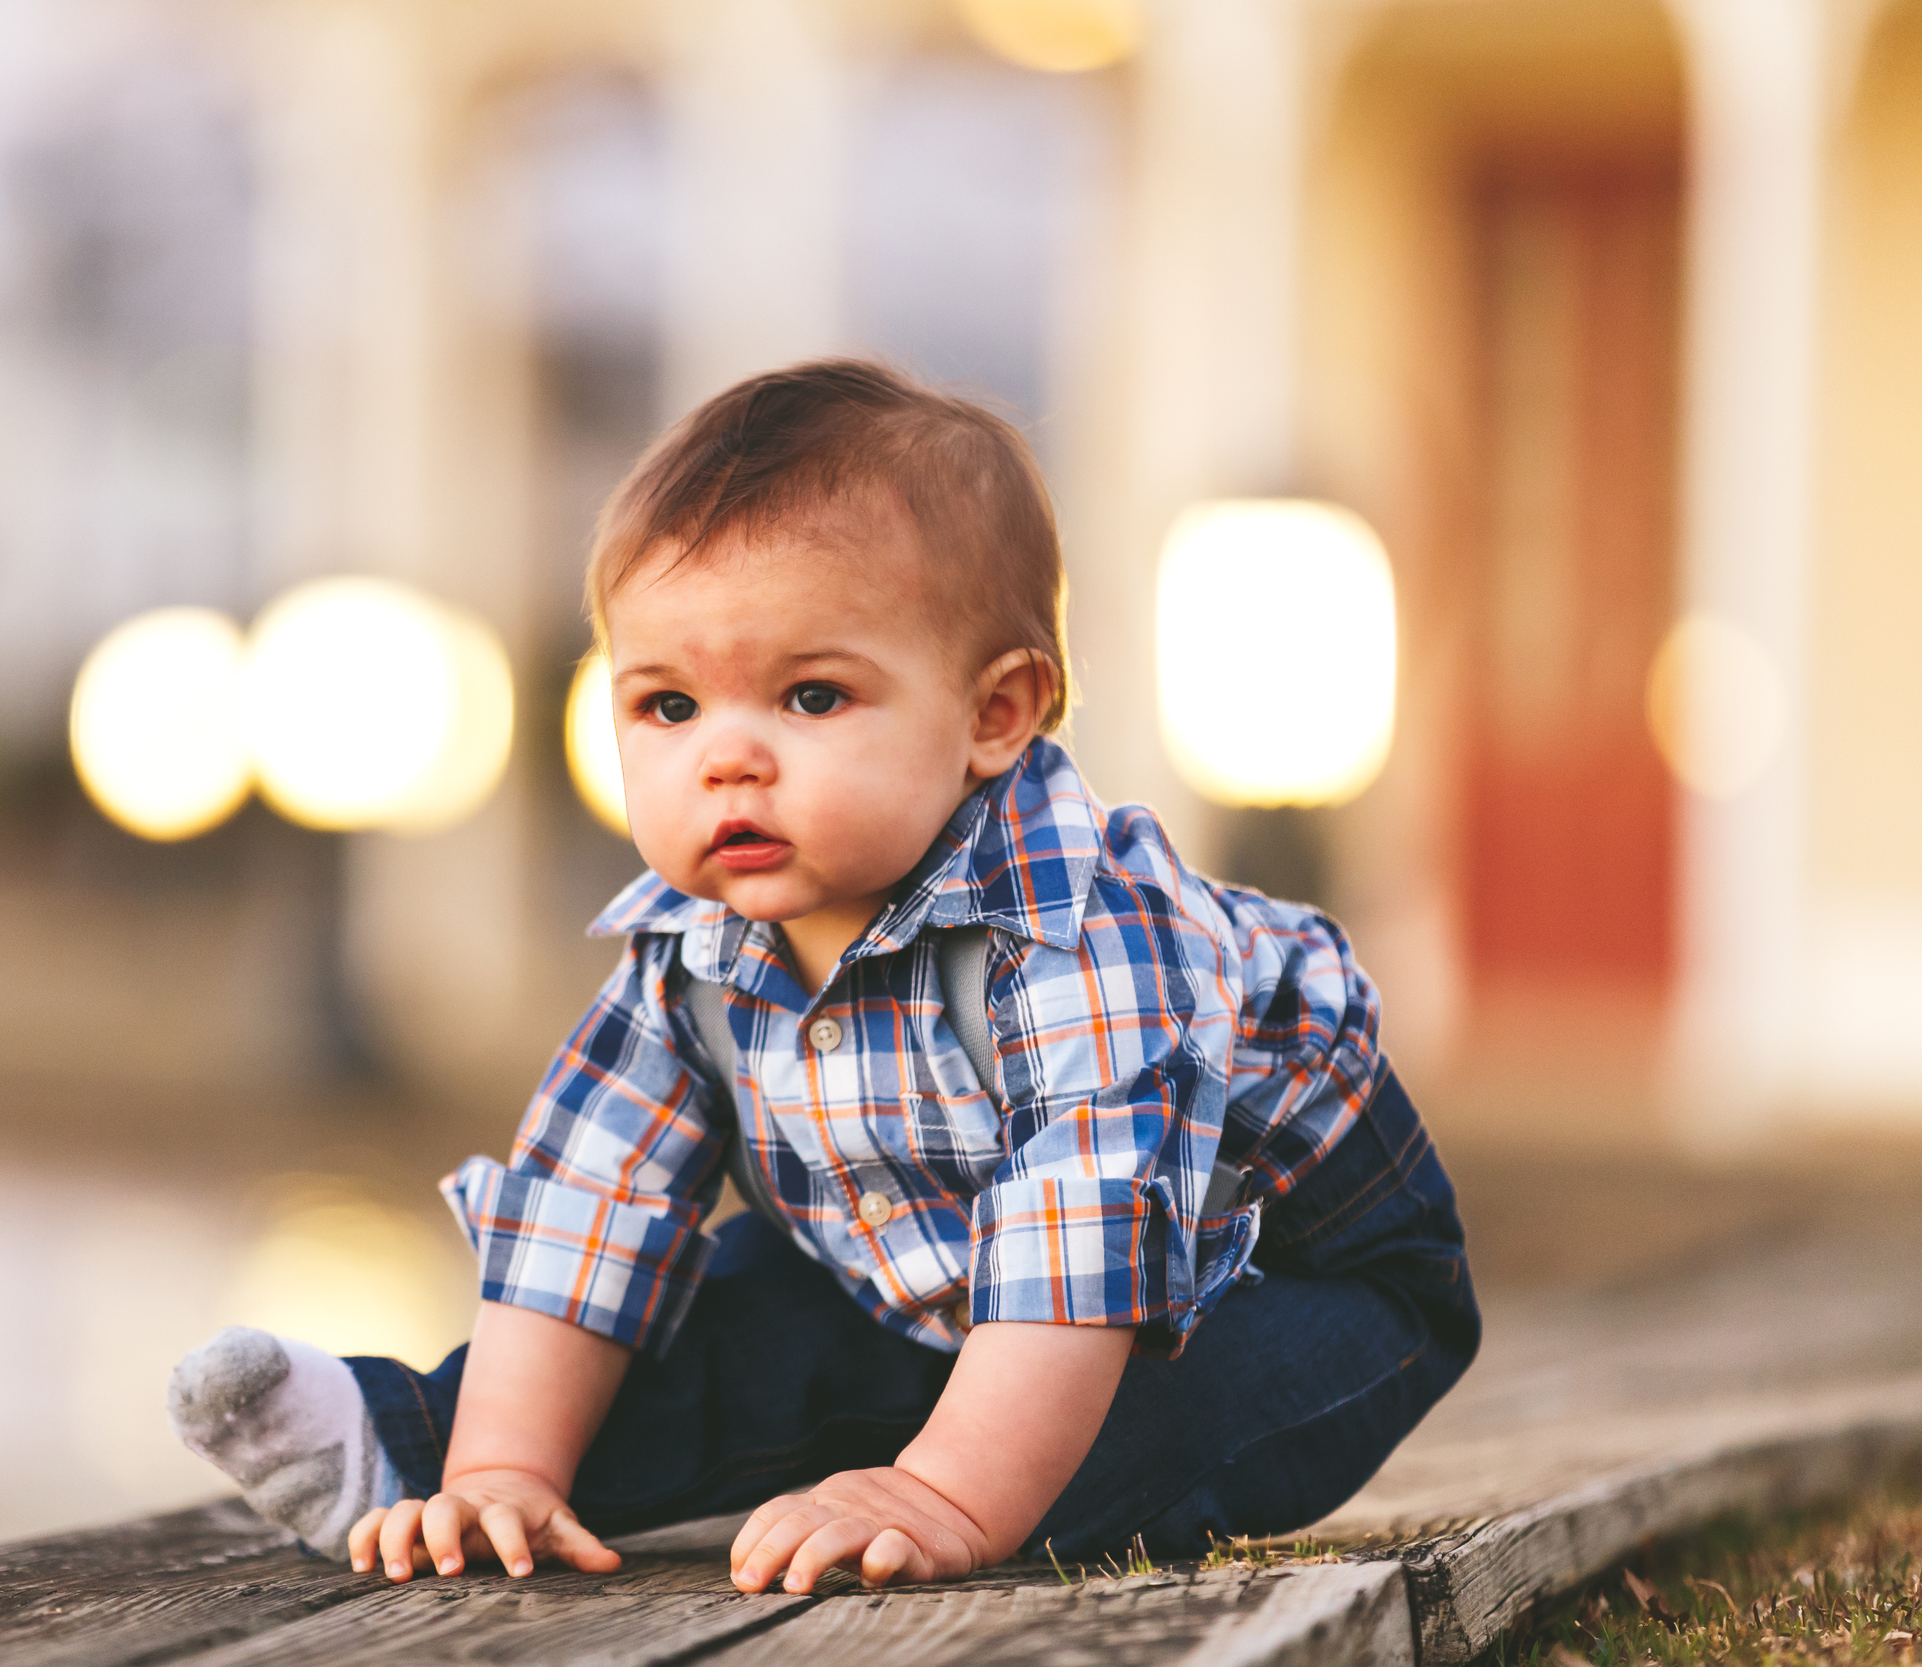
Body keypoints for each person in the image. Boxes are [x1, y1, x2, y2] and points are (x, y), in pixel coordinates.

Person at [169, 358, 1479, 1596]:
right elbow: (588, 1209)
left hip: (1281, 1285)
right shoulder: (695, 948)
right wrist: (505, 1463)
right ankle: (419, 1454)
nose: (726, 759)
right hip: (932, 1276)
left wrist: (948, 1499)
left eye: (809, 697)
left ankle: (955, 1472)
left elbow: (1090, 1242)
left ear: (994, 715)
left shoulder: (1084, 932)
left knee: (1106, 1455)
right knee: (731, 1316)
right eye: (668, 706)